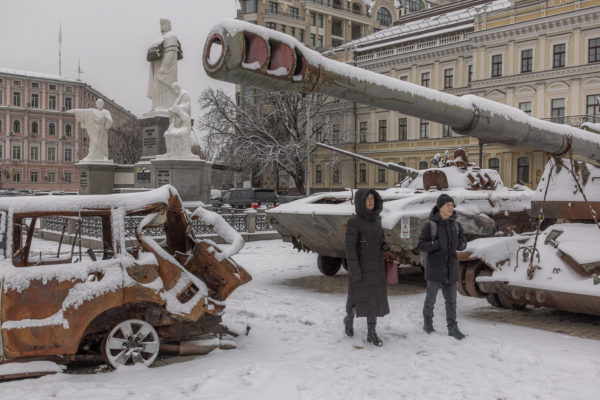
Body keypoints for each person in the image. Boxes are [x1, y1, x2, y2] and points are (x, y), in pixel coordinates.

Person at [344, 189, 390, 346]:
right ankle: (348, 319)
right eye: (367, 198)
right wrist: (354, 270)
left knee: (374, 301)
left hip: (376, 268)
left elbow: (380, 238)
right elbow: (350, 249)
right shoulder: (354, 222)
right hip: (361, 269)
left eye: (372, 198)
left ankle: (372, 333)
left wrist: (384, 244)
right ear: (360, 201)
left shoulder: (377, 220)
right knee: (357, 300)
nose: (371, 201)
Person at [418, 193, 468, 340]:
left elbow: (463, 242)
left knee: (451, 301)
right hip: (435, 268)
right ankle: (428, 323)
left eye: (452, 206)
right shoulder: (430, 225)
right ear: (440, 207)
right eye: (448, 205)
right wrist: (436, 244)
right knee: (431, 299)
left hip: (451, 268)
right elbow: (421, 245)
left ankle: (452, 327)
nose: (451, 208)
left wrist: (461, 244)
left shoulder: (456, 225)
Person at [146, 18, 183, 112]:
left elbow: (171, 53)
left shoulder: (171, 36)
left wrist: (164, 68)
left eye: (163, 24)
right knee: (158, 89)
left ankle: (164, 107)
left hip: (166, 70)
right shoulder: (163, 38)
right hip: (160, 67)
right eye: (160, 25)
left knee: (164, 89)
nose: (161, 27)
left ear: (167, 25)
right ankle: (158, 106)